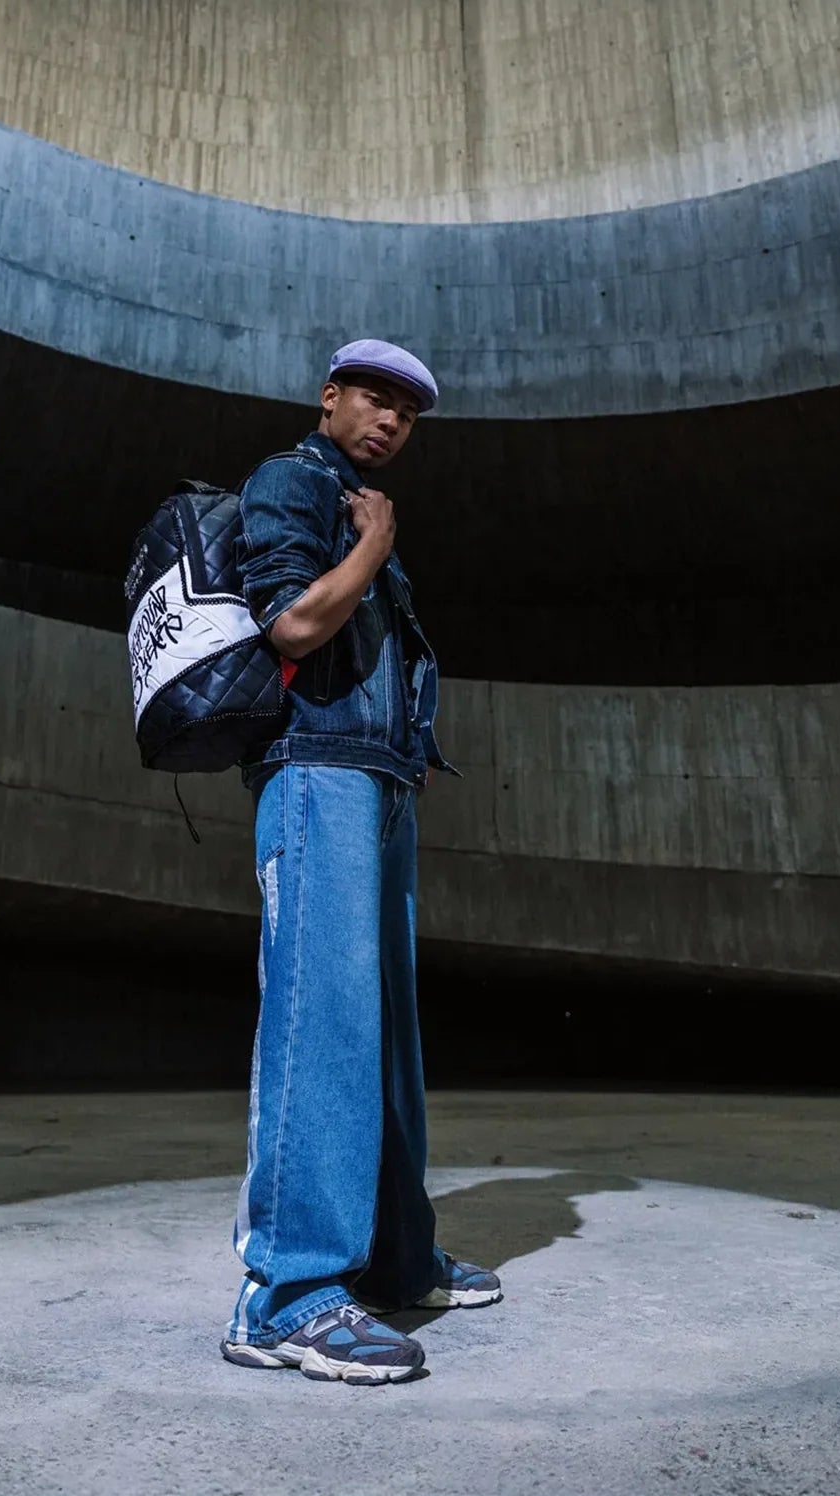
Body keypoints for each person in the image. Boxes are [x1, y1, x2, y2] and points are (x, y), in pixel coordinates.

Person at [219, 340, 502, 1386]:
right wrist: (375, 545)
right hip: (316, 775)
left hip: (377, 785)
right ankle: (287, 1298)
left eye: (407, 413)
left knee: (383, 1040)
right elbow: (293, 623)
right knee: (323, 1024)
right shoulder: (294, 480)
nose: (389, 421)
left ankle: (393, 1260)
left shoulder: (353, 496)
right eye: (374, 399)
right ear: (330, 397)